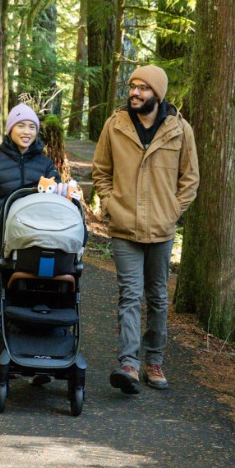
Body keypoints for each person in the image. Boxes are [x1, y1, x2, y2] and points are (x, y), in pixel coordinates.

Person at [92, 65, 199, 394]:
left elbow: (190, 180)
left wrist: (171, 212)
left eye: (143, 88)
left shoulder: (180, 130)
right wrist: (110, 205)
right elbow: (101, 171)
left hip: (162, 231)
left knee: (157, 297)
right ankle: (128, 363)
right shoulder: (115, 125)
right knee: (130, 296)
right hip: (124, 227)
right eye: (132, 86)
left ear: (158, 94)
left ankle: (154, 360)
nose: (135, 92)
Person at [0, 101, 59, 286]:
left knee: (40, 282)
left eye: (32, 127)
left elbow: (57, 194)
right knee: (7, 286)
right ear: (10, 129)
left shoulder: (45, 164)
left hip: (39, 233)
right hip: (4, 233)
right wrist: (11, 209)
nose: (26, 132)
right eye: (20, 125)